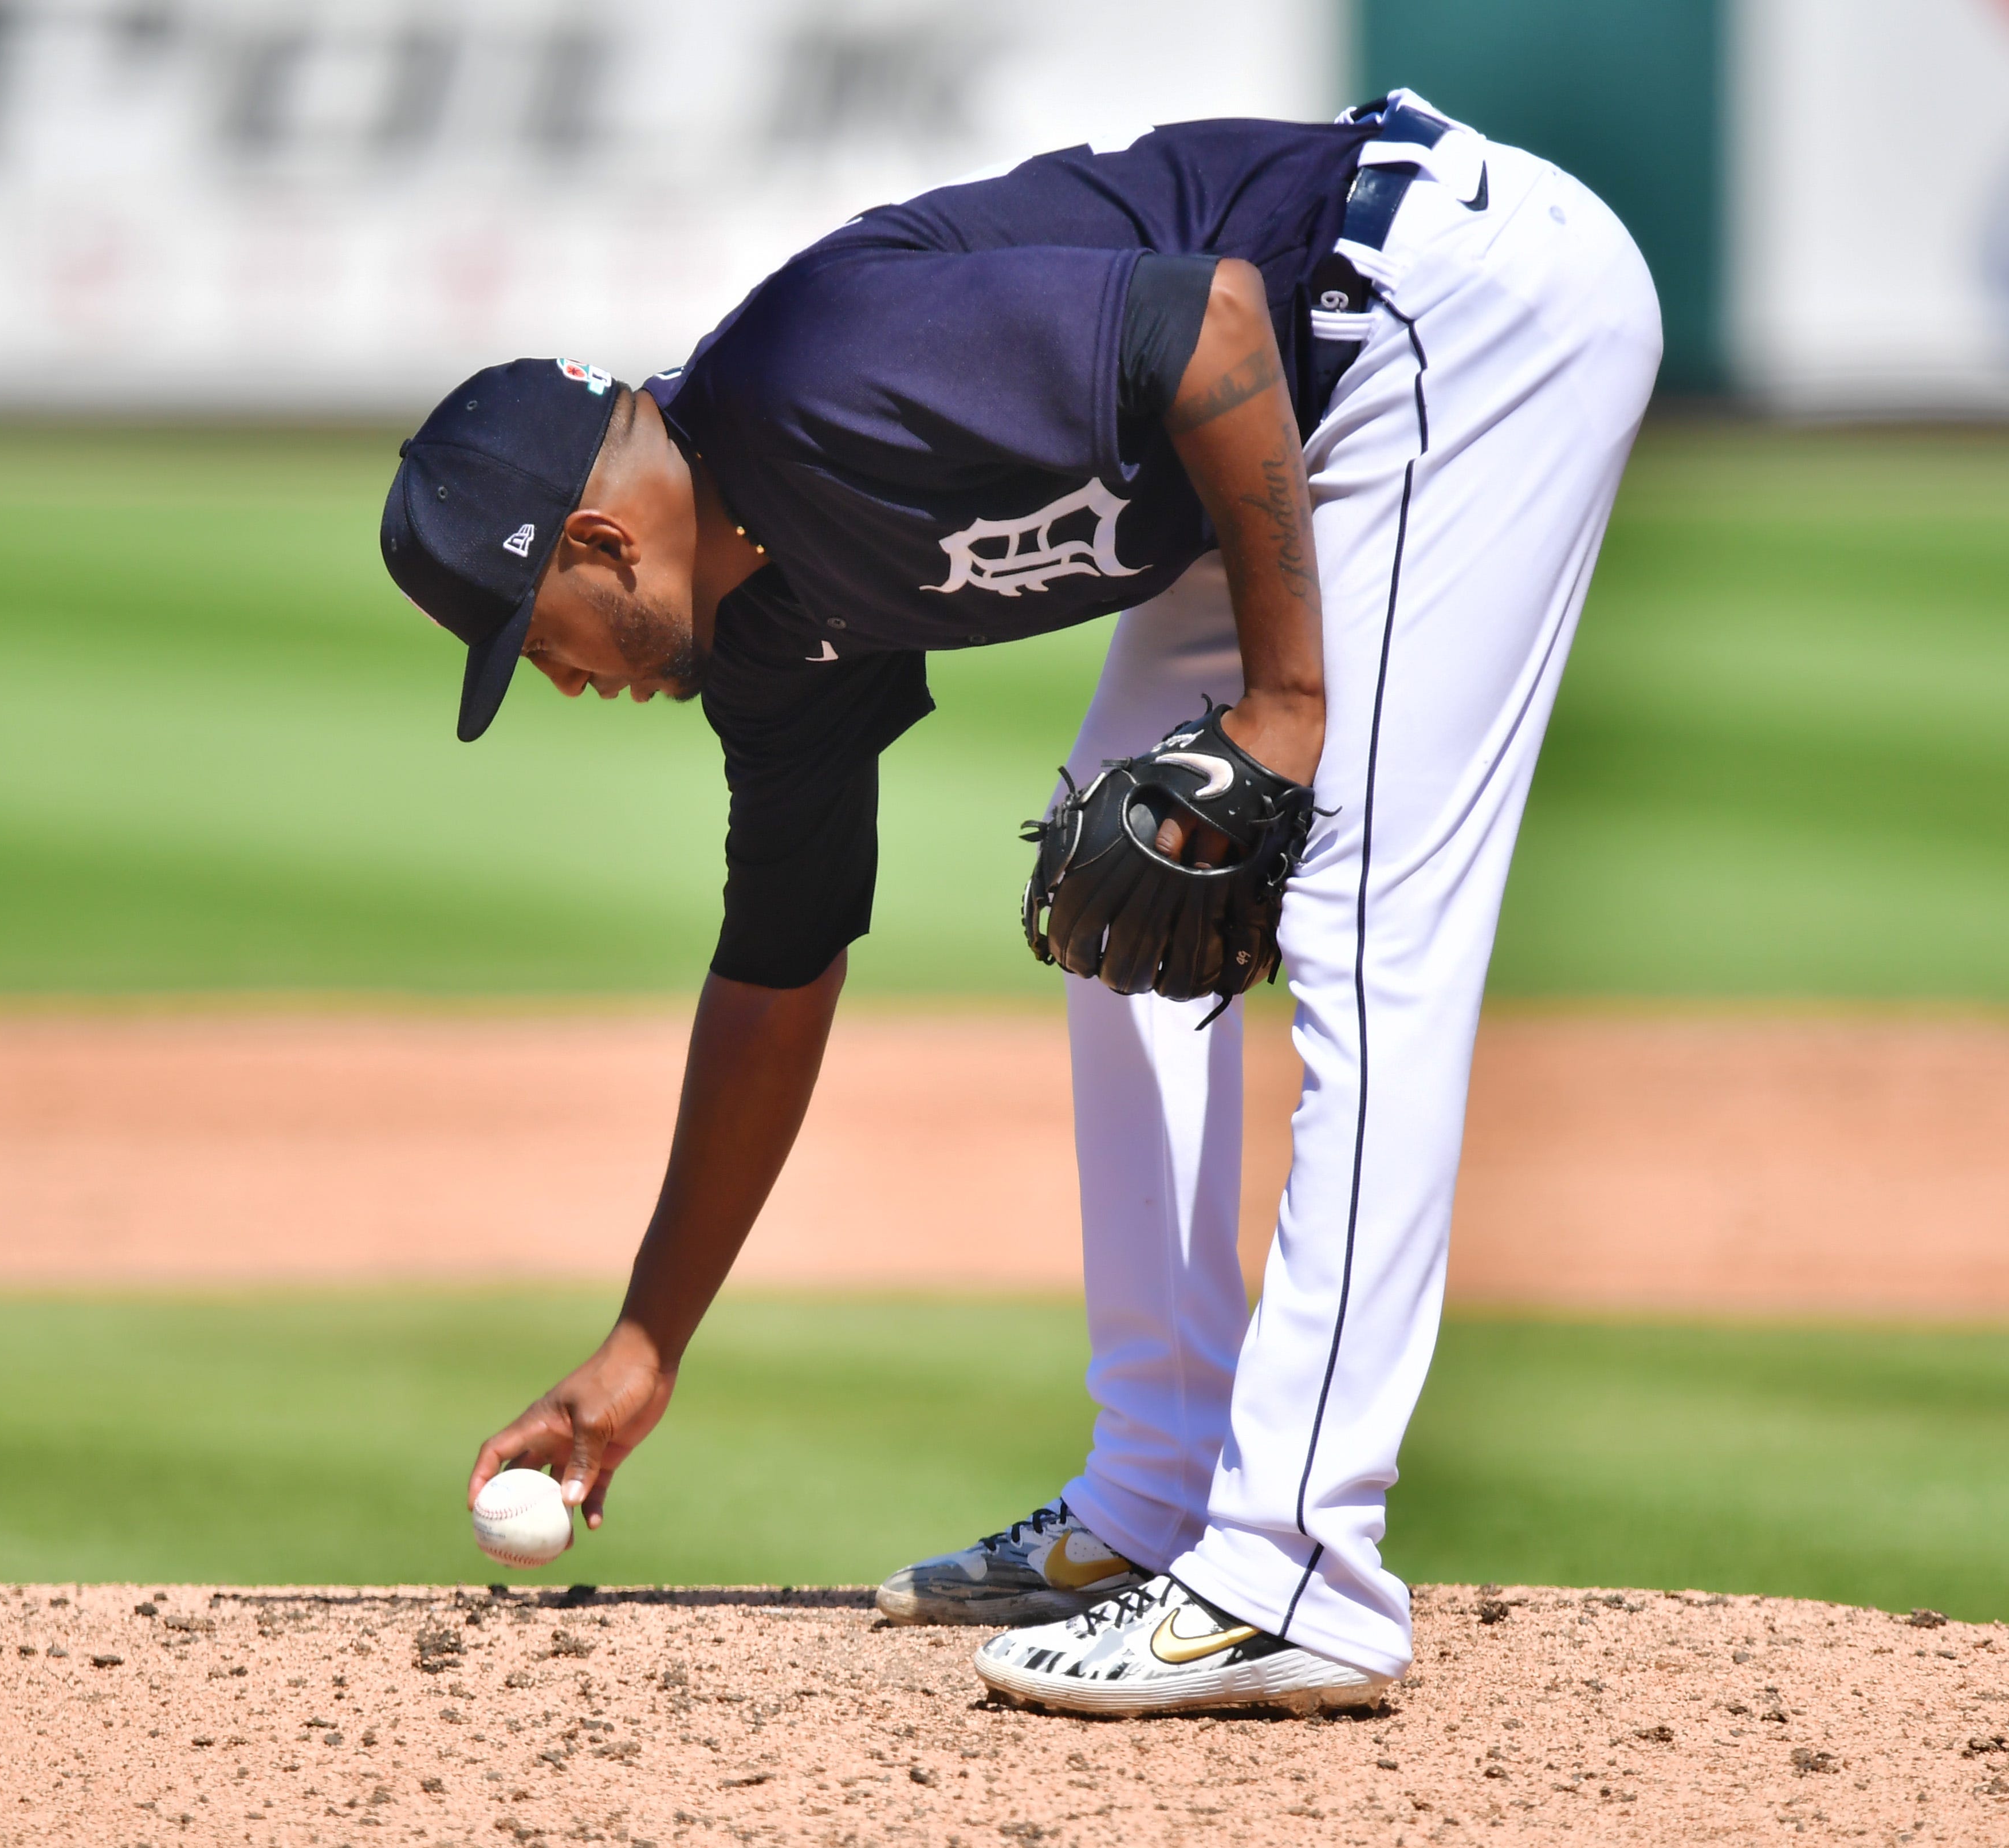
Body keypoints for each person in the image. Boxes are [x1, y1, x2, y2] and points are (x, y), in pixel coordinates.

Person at [380, 91, 1660, 1715]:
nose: (555, 681)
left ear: (597, 538)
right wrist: (649, 1337)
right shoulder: (764, 648)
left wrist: (1286, 699)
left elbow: (1210, 327)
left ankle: (1298, 1569)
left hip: (1443, 310)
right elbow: (778, 967)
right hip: (1282, 418)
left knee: (1361, 915)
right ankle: (1156, 1490)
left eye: (532, 636)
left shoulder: (816, 376)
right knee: (1120, 883)